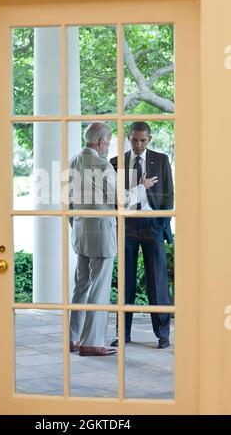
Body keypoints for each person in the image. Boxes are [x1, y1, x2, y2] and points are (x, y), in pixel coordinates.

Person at [69, 122, 158, 356]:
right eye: (108, 141)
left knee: (80, 287)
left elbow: (67, 201)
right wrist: (142, 186)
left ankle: (73, 338)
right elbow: (122, 200)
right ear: (100, 142)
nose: (108, 145)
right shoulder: (103, 166)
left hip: (80, 233)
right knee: (98, 289)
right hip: (102, 235)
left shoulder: (74, 161)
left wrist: (77, 224)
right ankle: (91, 342)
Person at [110, 121, 174, 349]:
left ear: (150, 139)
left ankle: (163, 334)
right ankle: (122, 333)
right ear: (128, 138)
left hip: (152, 224)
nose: (138, 144)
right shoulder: (116, 162)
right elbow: (114, 198)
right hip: (127, 225)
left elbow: (169, 195)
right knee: (125, 282)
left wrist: (161, 221)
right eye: (135, 140)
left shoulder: (162, 159)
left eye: (143, 140)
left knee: (157, 281)